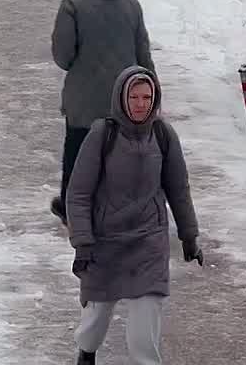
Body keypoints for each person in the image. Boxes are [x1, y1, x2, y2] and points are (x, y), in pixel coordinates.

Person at [67, 66, 202, 365]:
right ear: (121, 98)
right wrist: (83, 242)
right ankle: (86, 354)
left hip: (148, 242)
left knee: (143, 335)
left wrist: (189, 235)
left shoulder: (163, 135)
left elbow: (178, 188)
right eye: (134, 96)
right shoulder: (102, 134)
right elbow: (78, 193)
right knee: (94, 323)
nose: (141, 103)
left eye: (147, 97)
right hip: (105, 243)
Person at [50, 0, 154, 225]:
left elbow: (63, 56)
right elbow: (143, 54)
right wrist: (151, 95)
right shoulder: (131, 3)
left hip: (84, 102)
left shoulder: (72, 5)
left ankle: (72, 210)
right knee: (121, 156)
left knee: (78, 154)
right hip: (125, 100)